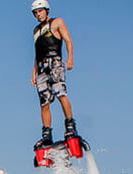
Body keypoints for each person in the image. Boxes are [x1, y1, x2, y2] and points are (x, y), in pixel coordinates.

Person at [31, 0, 77, 148]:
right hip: (41, 67)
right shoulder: (36, 31)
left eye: (40, 11)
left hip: (55, 62)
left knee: (60, 93)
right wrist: (34, 73)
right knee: (44, 103)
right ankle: (46, 135)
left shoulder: (57, 22)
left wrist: (70, 58)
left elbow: (68, 40)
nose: (38, 15)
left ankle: (70, 125)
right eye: (36, 13)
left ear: (46, 10)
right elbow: (37, 53)